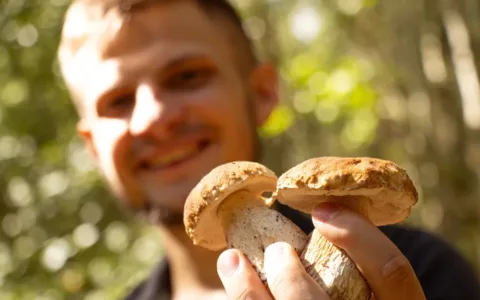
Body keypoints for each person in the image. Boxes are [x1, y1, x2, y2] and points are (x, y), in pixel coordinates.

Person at [56, 0, 480, 299]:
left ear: (261, 92)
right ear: (91, 145)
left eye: (186, 76)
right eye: (118, 101)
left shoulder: (423, 271)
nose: (153, 117)